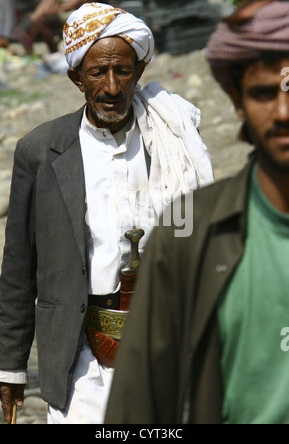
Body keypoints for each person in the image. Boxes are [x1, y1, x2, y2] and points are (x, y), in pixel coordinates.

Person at [0, 2, 214, 424]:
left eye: (123, 71)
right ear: (76, 76)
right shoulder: (41, 151)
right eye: (97, 73)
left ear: (139, 72)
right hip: (81, 361)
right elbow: (19, 268)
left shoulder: (171, 141)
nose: (112, 87)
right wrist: (10, 367)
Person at [104, 0, 289, 425]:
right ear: (239, 105)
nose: (282, 113)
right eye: (263, 94)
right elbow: (142, 405)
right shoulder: (189, 233)